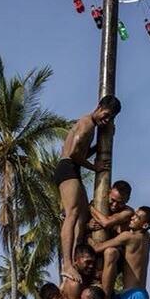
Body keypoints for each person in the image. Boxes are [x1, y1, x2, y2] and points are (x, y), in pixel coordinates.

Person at [54, 96, 122, 284]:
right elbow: (74, 153)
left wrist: (100, 146)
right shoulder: (87, 125)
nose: (106, 120)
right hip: (67, 168)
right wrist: (95, 167)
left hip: (71, 168)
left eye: (110, 118)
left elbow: (81, 151)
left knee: (83, 216)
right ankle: (67, 264)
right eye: (106, 115)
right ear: (99, 107)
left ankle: (75, 256)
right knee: (73, 215)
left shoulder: (89, 125)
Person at [88, 207, 150, 299]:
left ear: (144, 225)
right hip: (127, 295)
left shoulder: (129, 237)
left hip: (134, 296)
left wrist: (91, 209)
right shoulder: (145, 237)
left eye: (137, 217)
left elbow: (97, 248)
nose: (132, 217)